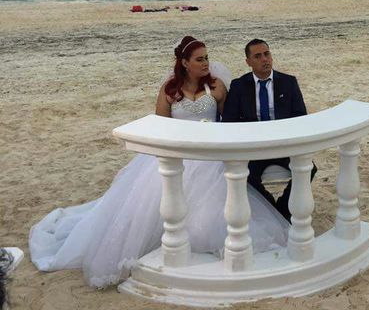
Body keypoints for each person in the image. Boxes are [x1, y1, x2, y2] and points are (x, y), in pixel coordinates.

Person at [29, 36, 289, 288]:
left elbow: (230, 121)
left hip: (209, 155)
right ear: (185, 63)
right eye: (199, 59)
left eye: (207, 58)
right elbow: (159, 127)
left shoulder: (217, 86)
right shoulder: (169, 90)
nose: (206, 63)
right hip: (177, 152)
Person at [222, 39, 317, 221]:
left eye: (267, 54)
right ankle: (271, 209)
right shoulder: (239, 86)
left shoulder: (288, 83)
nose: (264, 59)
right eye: (258, 56)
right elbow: (229, 120)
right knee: (245, 176)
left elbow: (300, 116)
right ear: (248, 62)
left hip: (284, 145)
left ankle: (281, 209)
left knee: (309, 168)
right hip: (255, 148)